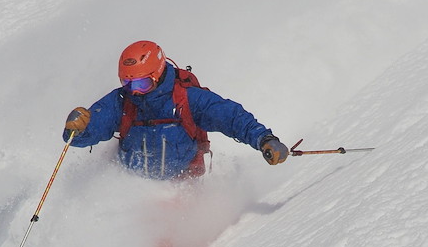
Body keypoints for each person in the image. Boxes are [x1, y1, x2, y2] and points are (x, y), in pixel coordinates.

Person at [63, 40, 288, 180]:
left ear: (158, 75)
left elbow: (232, 117)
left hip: (182, 185)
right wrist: (78, 129)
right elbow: (81, 136)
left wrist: (265, 140)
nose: (135, 91)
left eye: (141, 84)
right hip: (130, 187)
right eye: (127, 83)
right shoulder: (122, 101)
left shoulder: (188, 99)